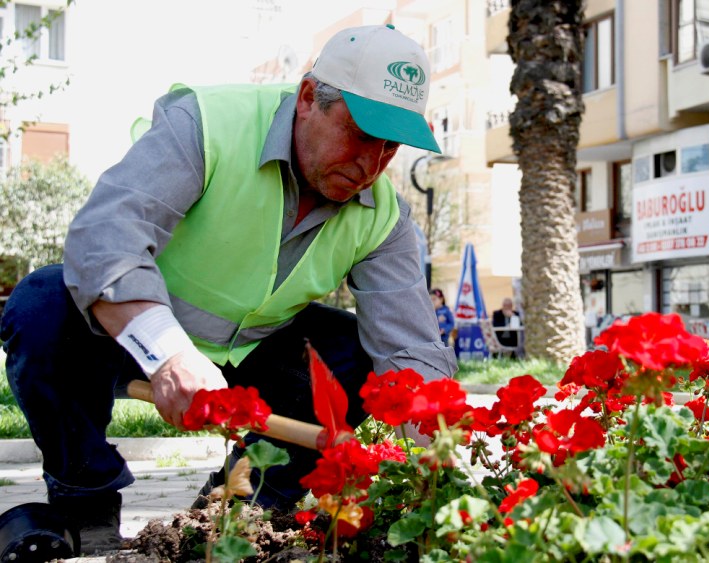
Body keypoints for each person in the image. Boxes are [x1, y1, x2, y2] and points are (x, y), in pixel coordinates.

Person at [0, 24, 457, 555]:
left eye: (390, 147)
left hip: (257, 351)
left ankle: (250, 501)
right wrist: (168, 352)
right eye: (360, 134)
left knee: (353, 355)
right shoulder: (207, 124)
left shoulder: (385, 217)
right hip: (134, 337)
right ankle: (87, 500)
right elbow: (105, 241)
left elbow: (411, 351)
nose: (371, 164)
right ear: (310, 98)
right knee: (42, 305)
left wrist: (431, 455)